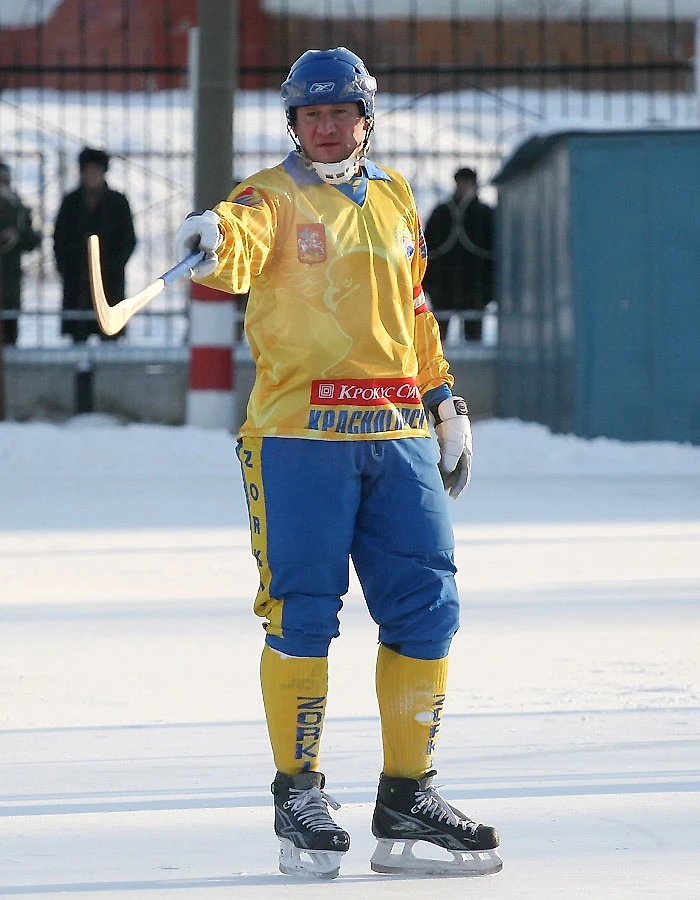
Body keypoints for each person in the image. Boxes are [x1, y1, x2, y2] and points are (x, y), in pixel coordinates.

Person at [174, 48, 501, 880]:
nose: (326, 127)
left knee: (428, 606)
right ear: (293, 122)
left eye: (341, 112)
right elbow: (238, 246)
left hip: (397, 437)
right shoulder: (268, 198)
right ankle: (298, 792)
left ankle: (408, 792)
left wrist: (443, 400)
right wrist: (214, 239)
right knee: (304, 613)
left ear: (365, 117)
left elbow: (417, 307)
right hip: (298, 441)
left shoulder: (394, 196)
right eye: (310, 114)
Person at [53, 147, 136, 342]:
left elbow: (128, 240)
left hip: (109, 280)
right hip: (76, 281)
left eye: (95, 171)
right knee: (77, 336)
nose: (91, 176)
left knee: (109, 333)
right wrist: (66, 267)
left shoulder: (117, 202)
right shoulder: (70, 202)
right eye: (87, 171)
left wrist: (113, 266)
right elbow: (58, 238)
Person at [423, 167, 495, 343]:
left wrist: (489, 287)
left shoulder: (484, 214)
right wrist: (429, 284)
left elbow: (493, 251)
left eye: (467, 182)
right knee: (438, 342)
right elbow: (427, 250)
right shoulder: (442, 213)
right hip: (443, 286)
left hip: (475, 287)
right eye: (461, 182)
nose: (463, 187)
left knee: (474, 340)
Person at [0, 161, 41, 346]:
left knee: (9, 336)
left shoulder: (17, 207)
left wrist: (17, 236)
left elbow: (30, 241)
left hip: (9, 284)